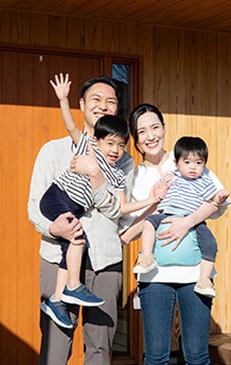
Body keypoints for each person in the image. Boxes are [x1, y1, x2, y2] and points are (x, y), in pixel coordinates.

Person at [28, 75, 131, 365]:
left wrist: (97, 176)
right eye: (96, 99)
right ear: (82, 104)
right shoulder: (53, 150)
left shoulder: (122, 158)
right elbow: (35, 206)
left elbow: (119, 210)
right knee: (55, 344)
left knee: (100, 345)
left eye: (111, 101)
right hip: (56, 257)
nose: (103, 106)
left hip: (105, 260)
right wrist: (54, 228)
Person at [119, 103, 231, 365]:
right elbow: (127, 234)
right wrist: (153, 201)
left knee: (196, 354)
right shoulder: (133, 177)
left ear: (164, 128)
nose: (150, 136)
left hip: (195, 273)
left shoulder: (187, 158)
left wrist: (186, 222)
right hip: (155, 276)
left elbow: (219, 203)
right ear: (135, 139)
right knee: (156, 355)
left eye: (155, 127)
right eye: (142, 131)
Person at [39, 74, 149, 329]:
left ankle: (58, 298)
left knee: (72, 245)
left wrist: (149, 200)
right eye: (96, 99)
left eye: (120, 145)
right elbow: (69, 125)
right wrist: (63, 99)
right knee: (75, 237)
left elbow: (119, 207)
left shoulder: (120, 168)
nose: (115, 149)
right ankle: (72, 287)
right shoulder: (85, 146)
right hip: (58, 199)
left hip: (102, 253)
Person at [132, 136, 230, 298]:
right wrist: (159, 188)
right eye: (187, 162)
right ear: (176, 162)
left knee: (210, 243)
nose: (193, 167)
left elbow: (213, 201)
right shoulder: (171, 176)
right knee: (148, 223)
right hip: (166, 213)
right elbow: (158, 190)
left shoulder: (204, 181)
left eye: (198, 163)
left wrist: (220, 197)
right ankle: (147, 257)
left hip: (191, 217)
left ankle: (204, 279)